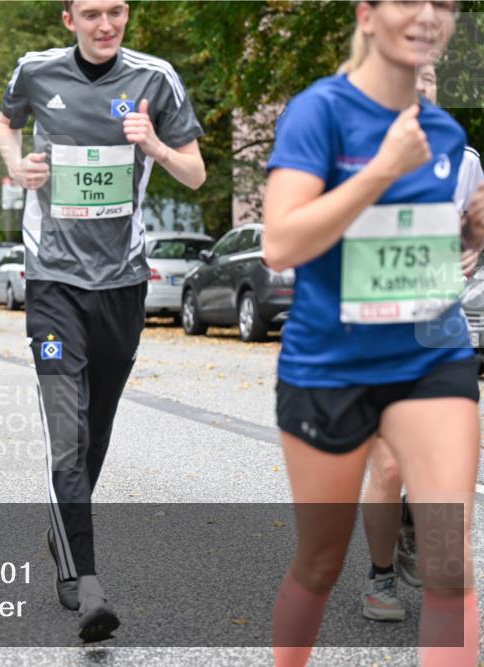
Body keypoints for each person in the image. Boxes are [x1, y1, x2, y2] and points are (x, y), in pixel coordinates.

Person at [263, 2, 480, 665]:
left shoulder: (445, 135)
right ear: (366, 14)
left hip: (430, 355)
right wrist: (381, 168)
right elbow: (279, 242)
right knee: (321, 561)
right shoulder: (318, 113)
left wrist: (470, 234)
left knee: (449, 562)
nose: (429, 16)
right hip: (330, 364)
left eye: (444, 4)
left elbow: (417, 249)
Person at [0, 0, 205, 642]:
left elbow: (195, 175)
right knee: (66, 427)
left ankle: (64, 530)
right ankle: (88, 584)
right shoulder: (35, 71)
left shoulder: (155, 79)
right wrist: (15, 165)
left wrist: (156, 145)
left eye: (115, 11)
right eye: (91, 13)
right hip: (53, 278)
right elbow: (6, 127)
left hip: (121, 283)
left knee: (97, 428)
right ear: (69, 20)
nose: (105, 24)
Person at [358, 59, 484, 623]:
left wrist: (474, 248)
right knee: (387, 468)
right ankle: (379, 578)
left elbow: (475, 229)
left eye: (430, 76)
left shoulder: (465, 163)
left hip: (441, 333)